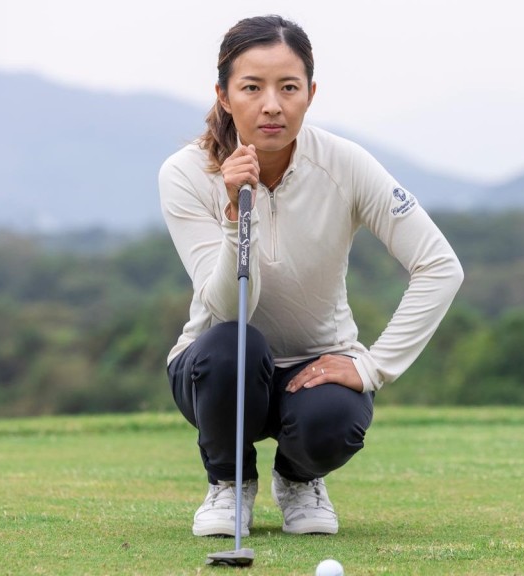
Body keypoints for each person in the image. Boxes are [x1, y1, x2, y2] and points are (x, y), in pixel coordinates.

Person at [158, 14, 463, 537]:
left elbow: (440, 266)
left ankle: (298, 480)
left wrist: (373, 367)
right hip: (215, 369)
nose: (271, 105)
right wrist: (235, 213)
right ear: (224, 96)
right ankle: (228, 482)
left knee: (333, 419)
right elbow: (228, 308)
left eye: (288, 87)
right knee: (234, 346)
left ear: (310, 94)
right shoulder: (185, 173)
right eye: (251, 87)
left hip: (316, 364)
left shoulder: (345, 163)